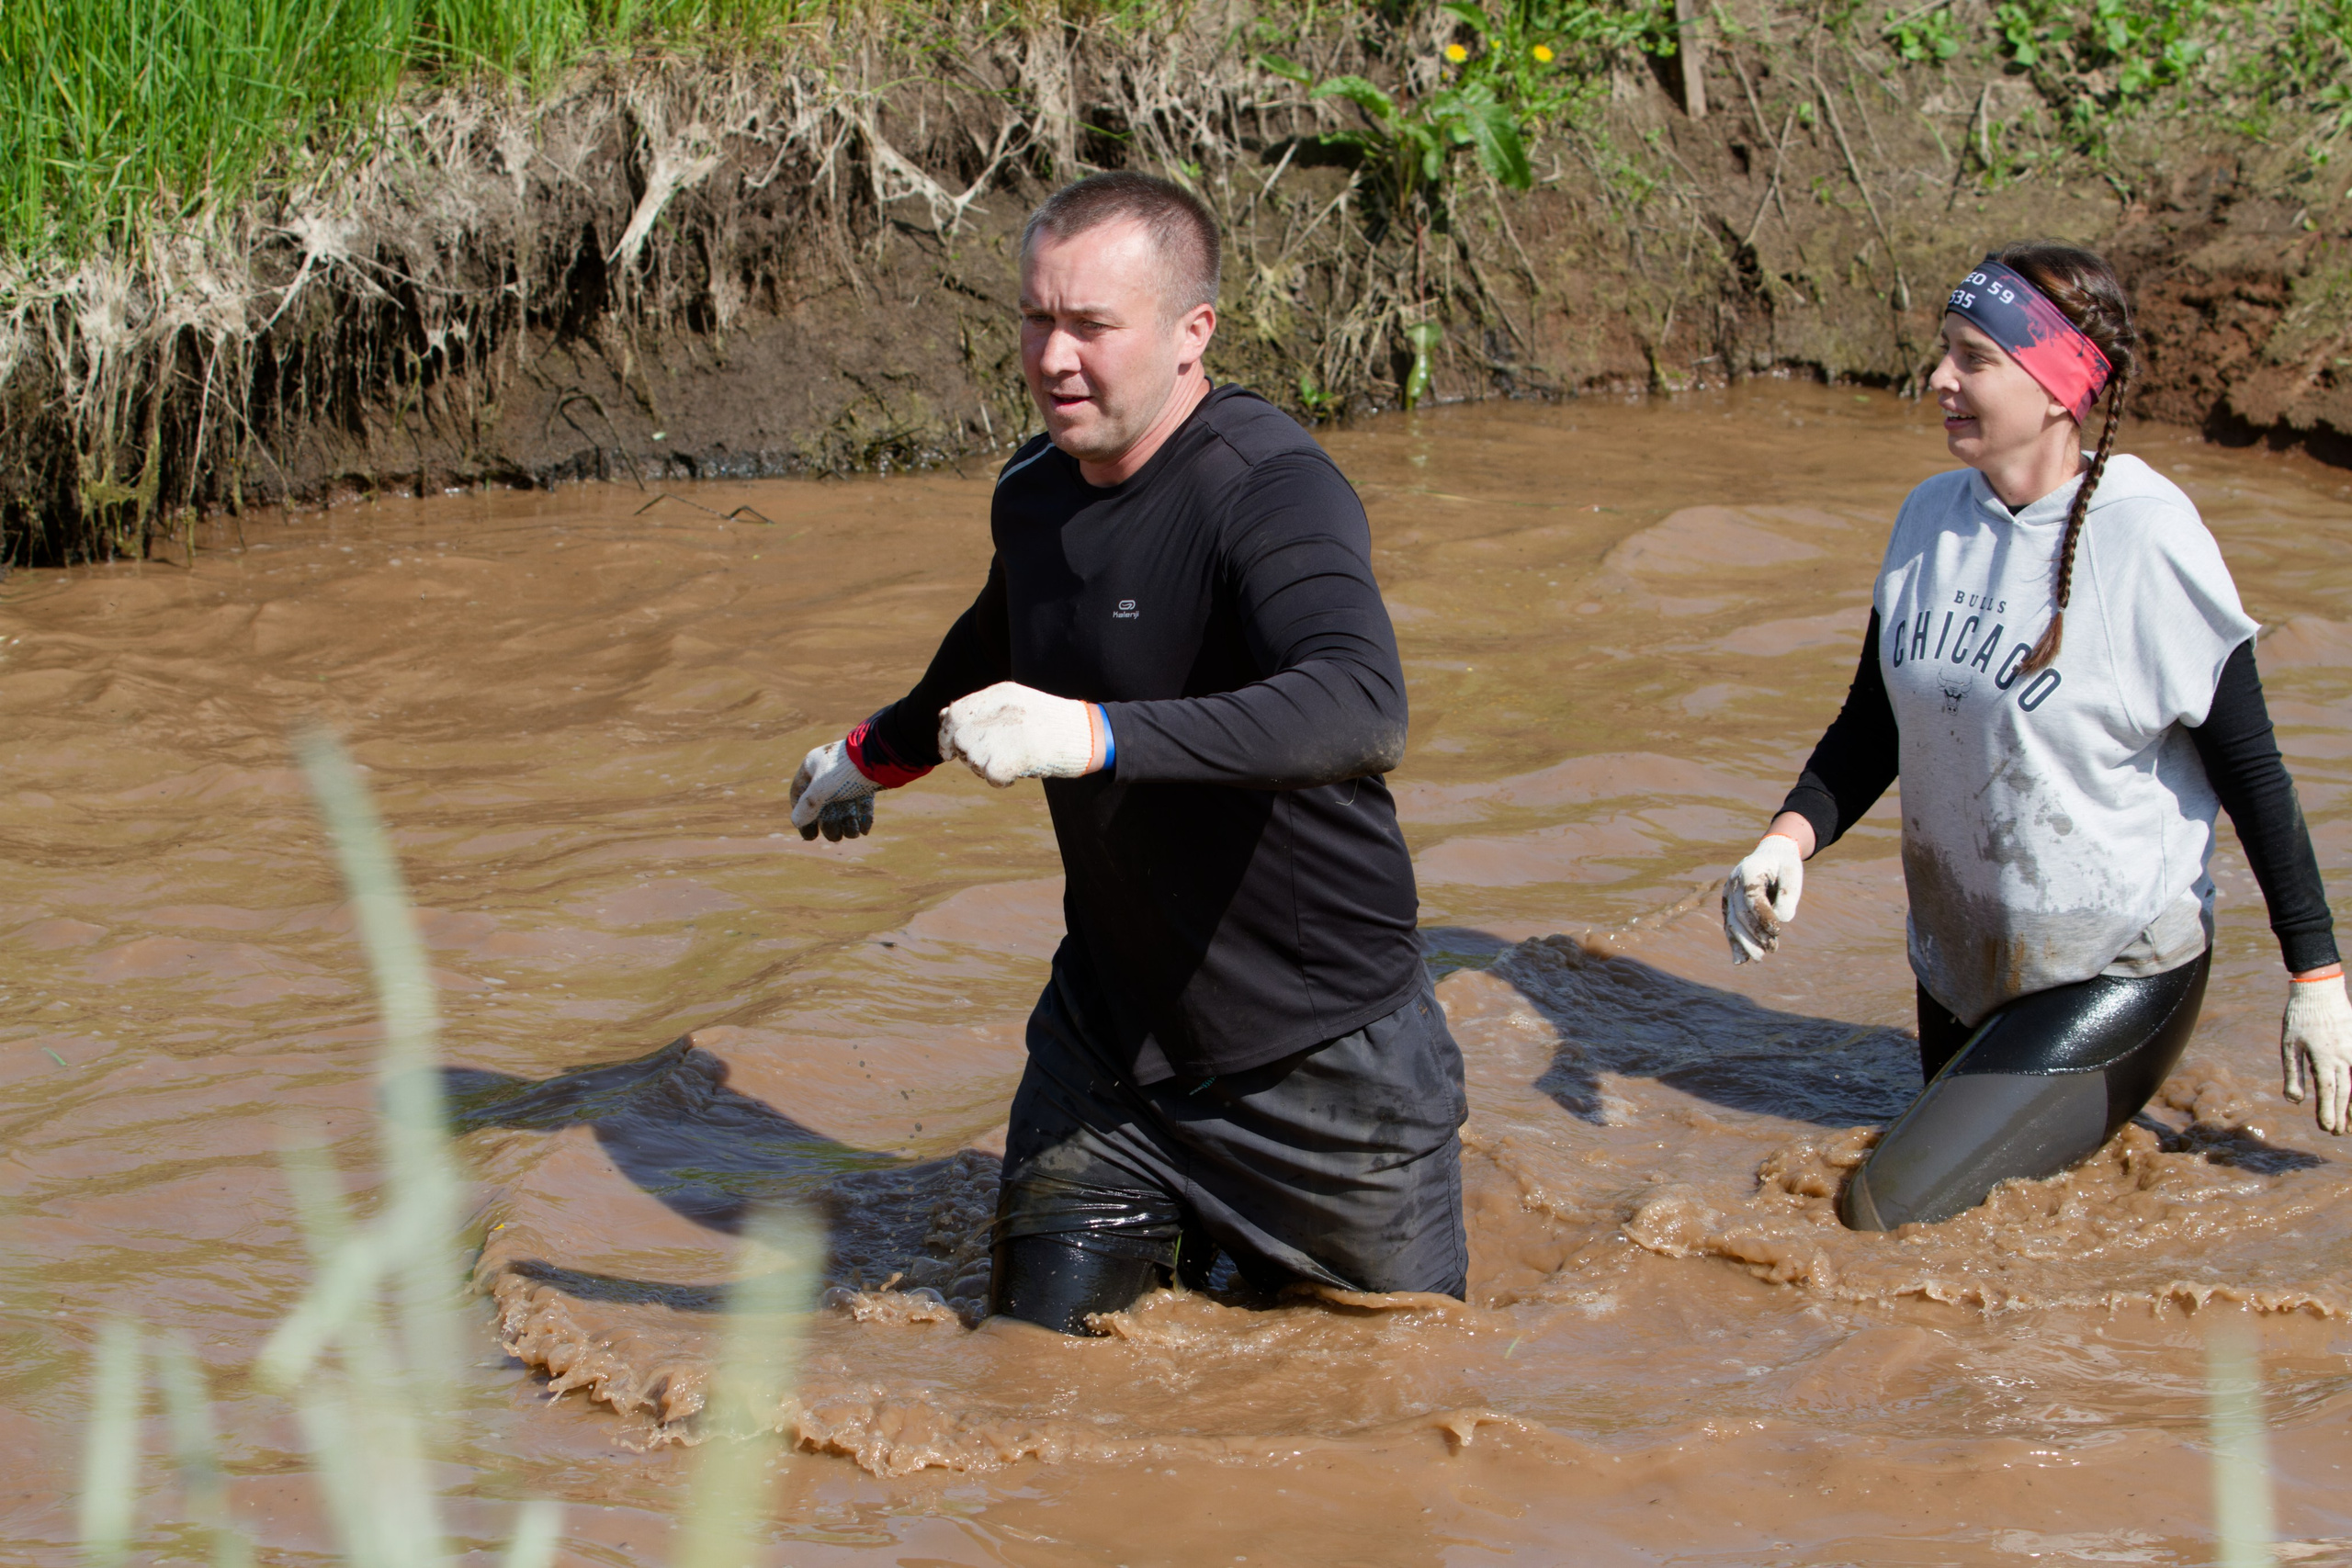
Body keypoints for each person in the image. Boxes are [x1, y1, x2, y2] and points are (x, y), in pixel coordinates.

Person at [786, 172, 1466, 1332]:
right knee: (1029, 1373)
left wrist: (1093, 734)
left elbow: (1360, 705)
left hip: (1323, 1069)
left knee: (1383, 1404)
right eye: (1036, 318)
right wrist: (872, 755)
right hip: (1105, 1053)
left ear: (1192, 332)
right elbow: (999, 637)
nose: (1055, 358)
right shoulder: (1034, 491)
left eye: (1092, 327)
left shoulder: (1269, 492)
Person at [1720, 242, 2352, 1230]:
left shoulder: (2146, 537)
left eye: (1973, 358)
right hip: (1962, 962)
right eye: (1943, 353)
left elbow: (2252, 769)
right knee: (1982, 1224)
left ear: (2058, 386)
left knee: (1885, 1213)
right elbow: (1874, 725)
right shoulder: (1928, 518)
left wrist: (2315, 976)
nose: (1940, 379)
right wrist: (1786, 837)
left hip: (2115, 967)